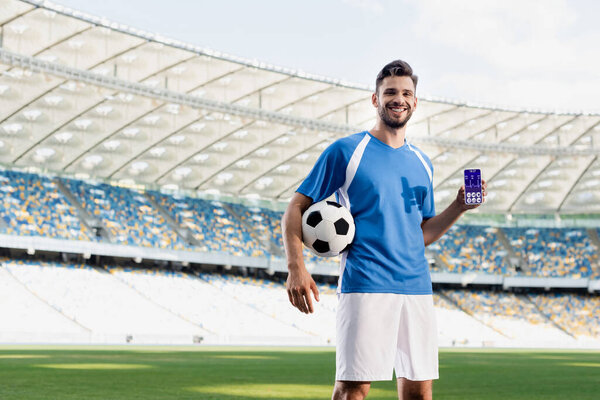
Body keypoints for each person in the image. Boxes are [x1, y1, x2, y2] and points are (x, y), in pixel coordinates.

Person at [281, 59, 486, 400]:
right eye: (390, 92)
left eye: (407, 93)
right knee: (352, 391)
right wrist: (295, 266)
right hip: (366, 285)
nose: (398, 98)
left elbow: (419, 234)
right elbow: (295, 208)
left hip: (417, 288)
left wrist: (459, 207)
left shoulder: (423, 163)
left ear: (415, 103)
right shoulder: (347, 151)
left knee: (420, 393)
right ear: (375, 100)